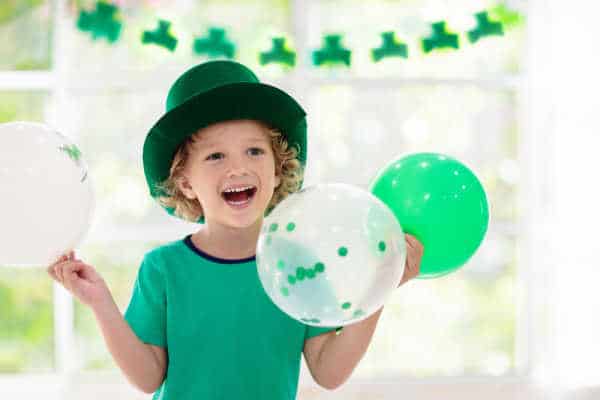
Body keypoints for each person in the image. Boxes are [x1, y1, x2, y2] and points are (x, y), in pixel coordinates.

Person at [47, 60, 424, 399]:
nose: (237, 168)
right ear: (185, 183)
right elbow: (147, 378)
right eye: (215, 156)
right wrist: (100, 302)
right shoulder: (163, 269)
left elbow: (329, 371)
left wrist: (380, 286)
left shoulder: (300, 264)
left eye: (255, 151)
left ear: (279, 171)